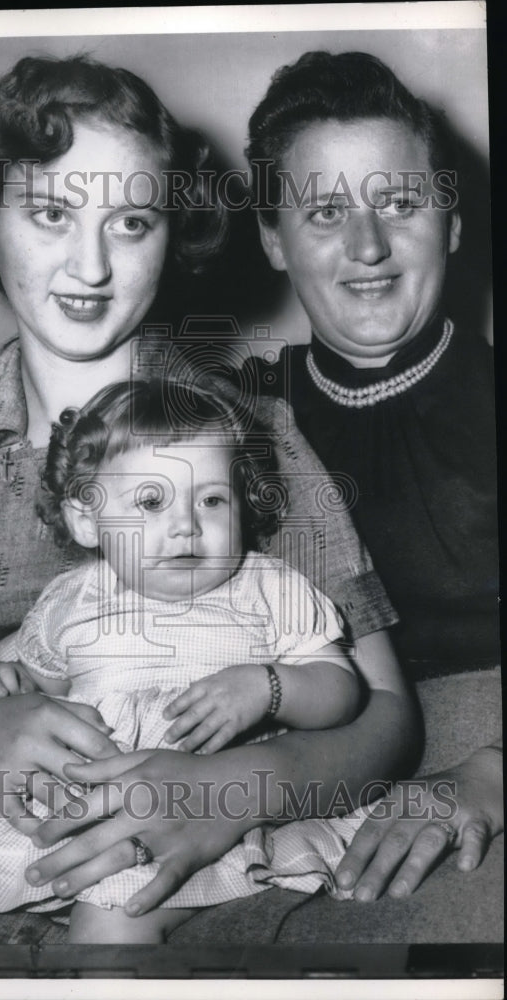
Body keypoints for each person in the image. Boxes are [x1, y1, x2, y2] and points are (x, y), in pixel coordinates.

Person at [0, 54, 416, 940]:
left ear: (171, 236)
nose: (90, 266)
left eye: (132, 222)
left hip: (202, 862)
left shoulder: (259, 439)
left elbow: (388, 720)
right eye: (51, 214)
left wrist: (230, 789)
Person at [0, 377, 367, 943]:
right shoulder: (73, 597)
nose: (188, 523)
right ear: (87, 520)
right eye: (151, 500)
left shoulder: (268, 588)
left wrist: (269, 687)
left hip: (187, 807)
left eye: (212, 499)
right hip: (72, 787)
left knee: (121, 907)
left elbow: (343, 691)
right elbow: (38, 680)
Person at [242, 50, 502, 914]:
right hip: (288, 783)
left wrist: (490, 777)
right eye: (325, 213)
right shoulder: (225, 423)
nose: (368, 247)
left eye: (398, 203)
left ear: (452, 223)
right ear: (273, 240)